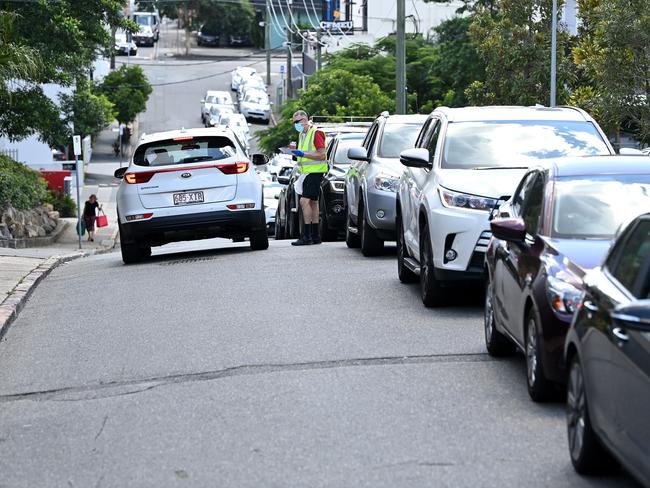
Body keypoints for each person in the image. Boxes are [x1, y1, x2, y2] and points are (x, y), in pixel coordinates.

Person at [290, 110, 327, 246]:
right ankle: (315, 236)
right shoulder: (302, 134)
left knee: (304, 202)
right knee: (313, 203)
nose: (296, 125)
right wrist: (294, 152)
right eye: (294, 122)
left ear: (305, 119)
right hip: (308, 172)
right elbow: (302, 155)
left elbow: (322, 155)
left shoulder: (315, 132)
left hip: (315, 171)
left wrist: (303, 154)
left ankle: (306, 236)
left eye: (297, 122)